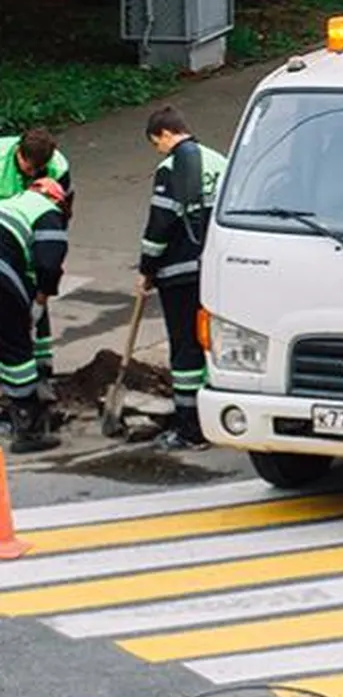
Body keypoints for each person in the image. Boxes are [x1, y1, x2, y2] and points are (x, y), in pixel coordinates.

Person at [137, 106, 227, 450]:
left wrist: (147, 268)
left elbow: (160, 224)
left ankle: (190, 429)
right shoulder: (217, 161)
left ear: (163, 134)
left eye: (155, 144)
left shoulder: (171, 167)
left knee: (185, 347)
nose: (158, 150)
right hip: (215, 271)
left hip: (178, 273)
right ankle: (216, 416)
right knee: (210, 343)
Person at [0, 129, 73, 401]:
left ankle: (41, 369)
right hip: (8, 242)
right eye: (27, 166)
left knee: (31, 302)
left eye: (37, 170)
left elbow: (64, 210)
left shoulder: (57, 167)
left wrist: (48, 249)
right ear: (18, 152)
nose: (31, 172)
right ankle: (24, 411)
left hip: (23, 238)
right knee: (14, 321)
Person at [0, 178, 72, 454]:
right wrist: (41, 297)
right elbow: (49, 263)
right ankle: (27, 429)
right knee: (16, 349)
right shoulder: (47, 211)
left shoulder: (10, 204)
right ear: (58, 200)